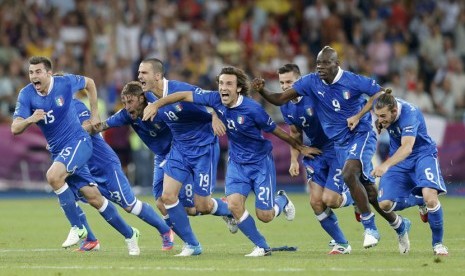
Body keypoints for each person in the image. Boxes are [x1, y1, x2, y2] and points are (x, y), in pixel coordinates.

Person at [143, 66, 320, 257]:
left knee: (265, 216)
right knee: (234, 205)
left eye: (228, 84)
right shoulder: (215, 99)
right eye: (221, 83)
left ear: (238, 88)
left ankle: (281, 200)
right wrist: (157, 105)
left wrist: (300, 148)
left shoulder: (253, 109)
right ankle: (262, 246)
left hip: (260, 163)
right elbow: (184, 95)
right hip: (236, 163)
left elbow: (276, 131)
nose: (223, 88)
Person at [251, 46, 410, 251]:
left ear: (337, 64)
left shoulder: (352, 80)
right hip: (337, 143)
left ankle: (369, 226)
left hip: (359, 136)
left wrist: (359, 116)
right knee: (365, 193)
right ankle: (397, 224)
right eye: (318, 64)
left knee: (348, 175)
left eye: (325, 63)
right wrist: (262, 90)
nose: (320, 68)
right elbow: (282, 103)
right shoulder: (310, 83)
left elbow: (379, 93)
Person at [11, 56, 140, 255]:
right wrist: (30, 119)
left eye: (38, 72)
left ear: (48, 73)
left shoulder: (64, 83)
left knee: (53, 176)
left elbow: (90, 83)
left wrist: (95, 113)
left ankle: (77, 228)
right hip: (59, 151)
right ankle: (130, 234)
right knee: (94, 198)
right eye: (30, 72)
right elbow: (15, 128)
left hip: (79, 141)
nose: (33, 76)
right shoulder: (26, 94)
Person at [137, 58, 234, 256]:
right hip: (180, 149)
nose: (139, 76)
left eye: (144, 73)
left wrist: (215, 117)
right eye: (139, 73)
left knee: (202, 206)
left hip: (203, 147)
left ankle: (228, 209)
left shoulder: (179, 88)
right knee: (167, 197)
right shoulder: (146, 95)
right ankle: (193, 244)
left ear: (157, 75)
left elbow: (214, 101)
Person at [71, 97, 174, 252]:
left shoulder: (76, 107)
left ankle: (164, 229)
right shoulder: (54, 116)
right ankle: (90, 239)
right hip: (83, 167)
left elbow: (88, 127)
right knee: (70, 196)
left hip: (104, 165)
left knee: (129, 205)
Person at [93, 81, 200, 229]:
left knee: (192, 208)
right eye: (124, 102)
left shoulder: (160, 108)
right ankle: (182, 239)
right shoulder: (126, 115)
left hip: (178, 154)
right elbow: (102, 126)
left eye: (130, 101)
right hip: (160, 155)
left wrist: (212, 116)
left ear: (142, 98)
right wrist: (78, 130)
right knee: (160, 203)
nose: (127, 106)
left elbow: (185, 115)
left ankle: (224, 208)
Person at [277, 64, 354, 254]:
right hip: (316, 153)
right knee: (316, 202)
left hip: (335, 149)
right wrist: (295, 158)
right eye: (281, 83)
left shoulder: (316, 95)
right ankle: (342, 243)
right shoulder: (285, 105)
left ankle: (359, 196)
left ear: (300, 81)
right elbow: (295, 133)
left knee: (331, 200)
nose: (285, 86)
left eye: (289, 82)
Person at [371, 89, 448, 256]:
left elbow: (407, 148)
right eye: (378, 116)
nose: (380, 120)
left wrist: (385, 165)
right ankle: (418, 201)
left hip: (422, 155)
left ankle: (438, 244)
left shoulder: (409, 114)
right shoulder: (388, 106)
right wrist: (381, 122)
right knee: (384, 204)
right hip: (400, 160)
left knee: (431, 198)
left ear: (394, 111)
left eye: (383, 116)